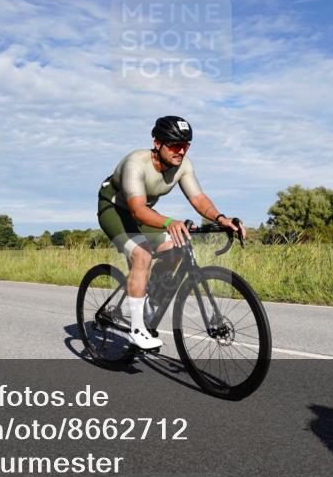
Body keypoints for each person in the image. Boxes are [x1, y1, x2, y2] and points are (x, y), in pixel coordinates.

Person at [97, 116, 245, 349]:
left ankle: (147, 303)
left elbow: (198, 198)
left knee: (176, 249)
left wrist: (221, 218)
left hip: (143, 212)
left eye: (186, 145)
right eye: (175, 145)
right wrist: (169, 222)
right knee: (142, 255)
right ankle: (137, 329)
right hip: (115, 209)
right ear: (157, 143)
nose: (181, 151)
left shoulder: (183, 165)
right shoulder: (136, 163)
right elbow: (136, 210)